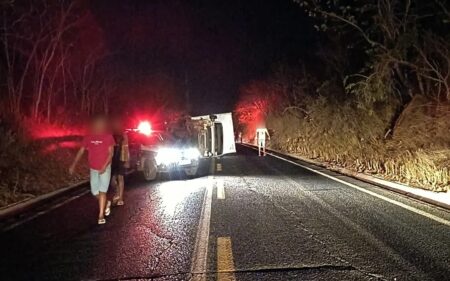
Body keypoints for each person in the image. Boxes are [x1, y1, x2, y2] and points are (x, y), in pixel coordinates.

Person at [70, 115, 115, 225]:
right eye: (97, 124)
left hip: (105, 168)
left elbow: (111, 153)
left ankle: (100, 215)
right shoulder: (88, 137)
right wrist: (73, 164)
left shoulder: (108, 137)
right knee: (94, 192)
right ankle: (106, 202)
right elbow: (81, 151)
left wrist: (104, 166)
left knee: (102, 191)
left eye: (101, 124)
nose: (99, 126)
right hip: (93, 168)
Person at [110, 118, 129, 206]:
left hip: (121, 158)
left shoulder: (124, 135)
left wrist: (126, 161)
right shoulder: (112, 135)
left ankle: (120, 198)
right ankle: (117, 192)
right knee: (112, 180)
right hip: (113, 159)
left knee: (120, 178)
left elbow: (126, 148)